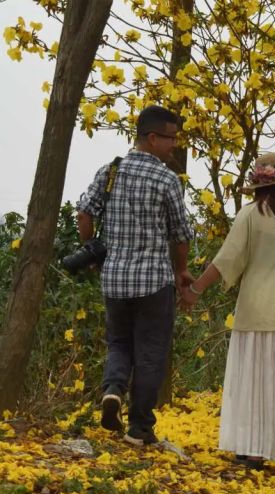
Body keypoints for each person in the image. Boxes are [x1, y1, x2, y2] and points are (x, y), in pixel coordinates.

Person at [181, 152, 275, 489]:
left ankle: (252, 451)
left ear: (257, 185)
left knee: (254, 383)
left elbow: (225, 261)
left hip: (254, 310)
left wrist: (193, 290)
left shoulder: (249, 215)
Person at [77, 105, 194, 447]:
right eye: (171, 138)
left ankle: (113, 390)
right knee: (152, 352)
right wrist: (181, 270)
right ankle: (140, 428)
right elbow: (181, 234)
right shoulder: (167, 179)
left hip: (114, 279)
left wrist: (92, 249)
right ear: (153, 137)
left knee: (119, 343)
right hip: (154, 282)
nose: (174, 145)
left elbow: (85, 213)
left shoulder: (110, 171)